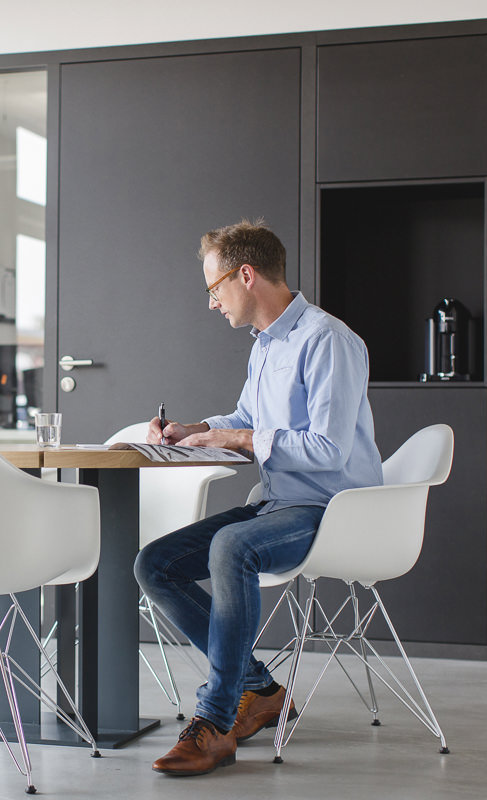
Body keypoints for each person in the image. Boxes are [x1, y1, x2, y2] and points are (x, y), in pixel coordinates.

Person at [134, 219, 383, 776]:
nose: (211, 302)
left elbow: (328, 450)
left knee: (231, 547)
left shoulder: (328, 340)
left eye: (213, 287)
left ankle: (217, 721)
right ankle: (259, 689)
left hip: (332, 510)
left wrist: (238, 438)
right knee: (155, 564)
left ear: (245, 276)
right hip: (278, 503)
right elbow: (248, 419)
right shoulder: (267, 346)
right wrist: (195, 428)